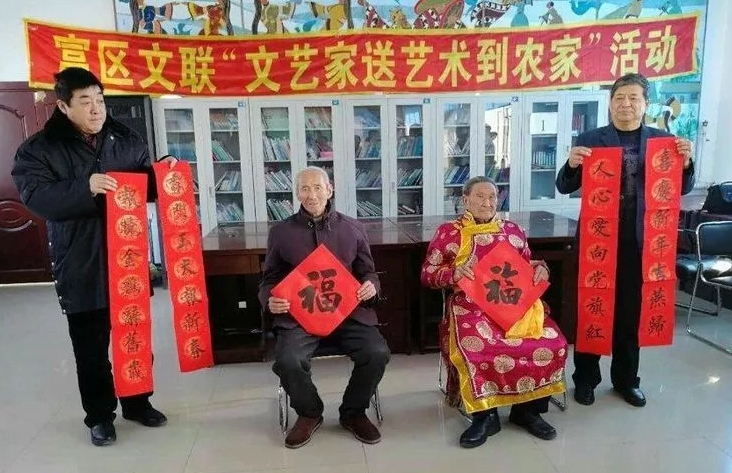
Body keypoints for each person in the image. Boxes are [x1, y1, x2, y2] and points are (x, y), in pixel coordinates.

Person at [11, 68, 176, 446]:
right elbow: (37, 198)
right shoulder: (39, 149)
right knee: (90, 348)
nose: (96, 109)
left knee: (134, 337)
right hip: (80, 260)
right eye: (85, 102)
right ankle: (100, 416)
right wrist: (83, 188)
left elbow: (145, 187)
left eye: (100, 100)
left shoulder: (126, 138)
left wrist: (163, 174)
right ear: (63, 106)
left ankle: (137, 402)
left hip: (128, 257)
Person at [556, 73, 695, 408]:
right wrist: (572, 165)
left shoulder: (664, 141)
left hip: (642, 243)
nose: (626, 104)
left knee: (631, 314)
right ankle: (586, 380)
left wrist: (687, 163)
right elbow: (564, 185)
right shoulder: (591, 138)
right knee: (593, 307)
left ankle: (626, 380)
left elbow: (683, 188)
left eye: (634, 98)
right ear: (610, 103)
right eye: (619, 98)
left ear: (646, 104)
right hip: (598, 242)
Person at [421, 176, 568, 448]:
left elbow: (527, 264)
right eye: (479, 196)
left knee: (553, 343)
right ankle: (485, 416)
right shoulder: (448, 232)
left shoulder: (513, 231)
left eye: (492, 197)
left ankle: (528, 411)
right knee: (479, 347)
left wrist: (541, 269)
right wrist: (453, 274)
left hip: (514, 306)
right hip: (471, 307)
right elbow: (428, 273)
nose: (487, 202)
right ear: (465, 200)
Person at [259, 166, 390, 449]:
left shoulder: (353, 228)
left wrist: (371, 286)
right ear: (297, 193)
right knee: (288, 361)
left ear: (330, 190)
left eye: (318, 187)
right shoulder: (280, 232)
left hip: (348, 314)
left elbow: (369, 272)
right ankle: (309, 413)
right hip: (300, 316)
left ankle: (353, 412)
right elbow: (269, 279)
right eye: (305, 189)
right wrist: (270, 298)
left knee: (377, 352)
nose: (312, 195)